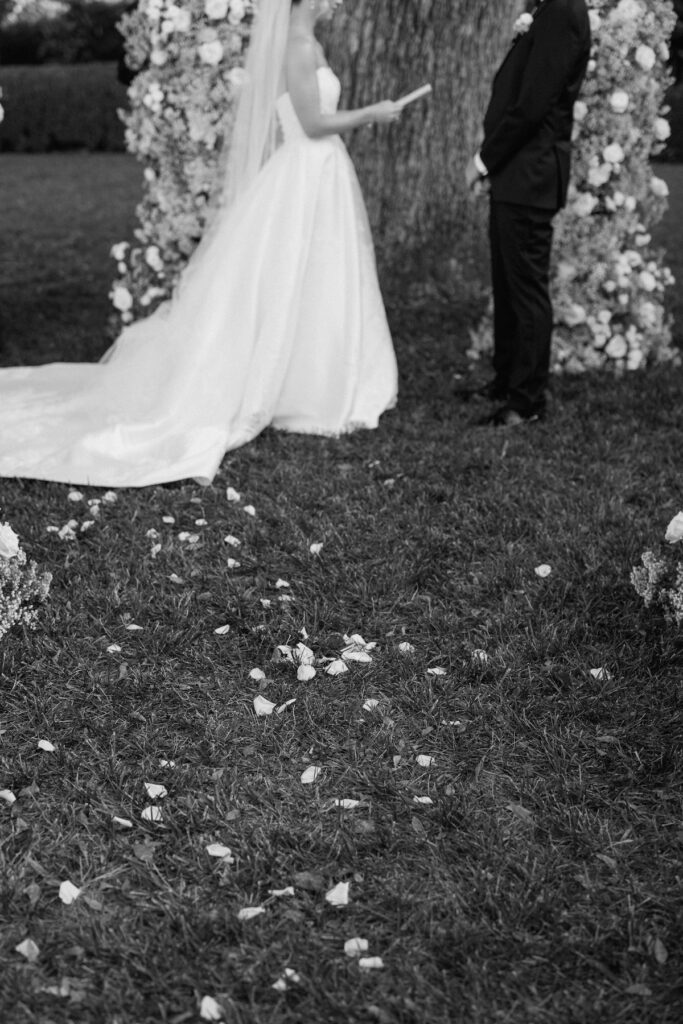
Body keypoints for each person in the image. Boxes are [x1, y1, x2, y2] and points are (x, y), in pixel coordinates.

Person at [0, 0, 400, 487]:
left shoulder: (309, 43)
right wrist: (372, 114)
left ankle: (315, 379)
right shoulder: (296, 45)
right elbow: (312, 123)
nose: (335, 2)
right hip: (306, 169)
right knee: (291, 272)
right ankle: (291, 386)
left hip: (322, 173)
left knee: (318, 273)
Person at [463, 0, 591, 426]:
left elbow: (533, 104)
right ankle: (506, 379)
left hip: (530, 174)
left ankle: (526, 401)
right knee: (507, 282)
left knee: (526, 290)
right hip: (516, 174)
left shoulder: (562, 12)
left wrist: (484, 160)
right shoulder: (548, 8)